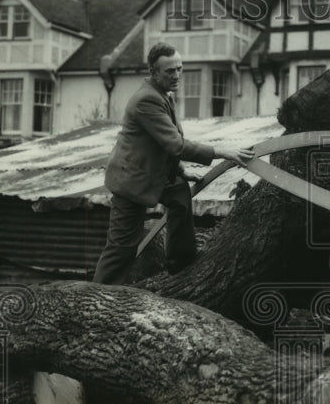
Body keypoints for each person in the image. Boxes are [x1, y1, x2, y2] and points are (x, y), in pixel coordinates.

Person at [93, 43, 254, 284]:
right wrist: (225, 152)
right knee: (121, 247)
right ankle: (97, 294)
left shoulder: (164, 94)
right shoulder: (146, 100)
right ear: (153, 71)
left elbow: (161, 145)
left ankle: (181, 262)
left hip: (152, 174)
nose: (177, 75)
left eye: (179, 69)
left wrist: (180, 170)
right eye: (170, 71)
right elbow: (176, 145)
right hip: (131, 181)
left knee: (179, 194)